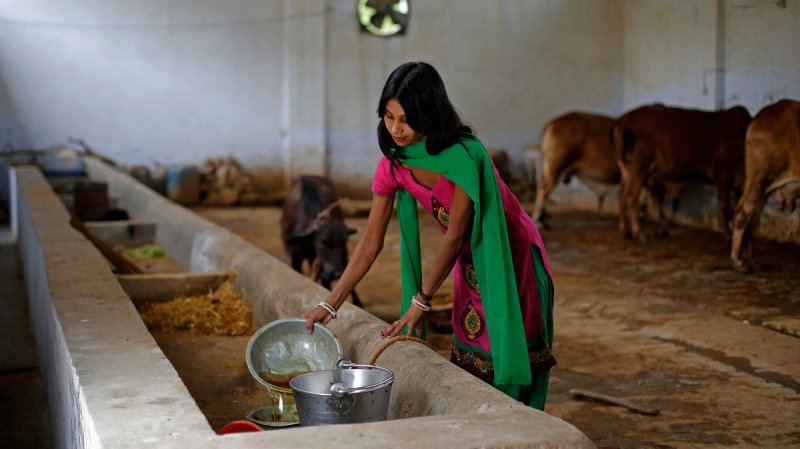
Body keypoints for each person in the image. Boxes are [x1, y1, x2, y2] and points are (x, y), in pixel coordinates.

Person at [301, 61, 556, 410]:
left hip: (509, 258)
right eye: (389, 117)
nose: (396, 128)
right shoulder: (394, 162)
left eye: (406, 119)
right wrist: (331, 303)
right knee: (473, 352)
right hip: (468, 261)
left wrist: (419, 302)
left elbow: (454, 236)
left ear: (430, 113)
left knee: (507, 351)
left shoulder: (465, 155)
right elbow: (370, 241)